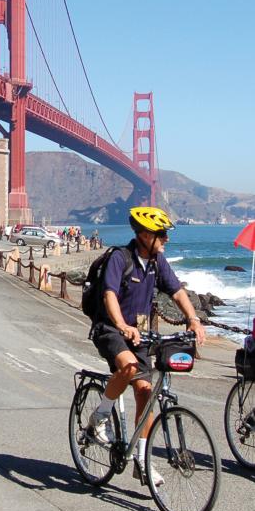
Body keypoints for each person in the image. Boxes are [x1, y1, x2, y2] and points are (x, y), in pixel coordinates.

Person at [86, 206, 206, 487]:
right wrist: (122, 325)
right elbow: (109, 295)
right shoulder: (120, 258)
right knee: (128, 367)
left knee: (146, 392)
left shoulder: (156, 261)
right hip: (110, 330)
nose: (166, 239)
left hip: (140, 335)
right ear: (143, 235)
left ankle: (142, 460)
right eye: (161, 234)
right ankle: (100, 417)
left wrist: (193, 319)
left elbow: (177, 291)